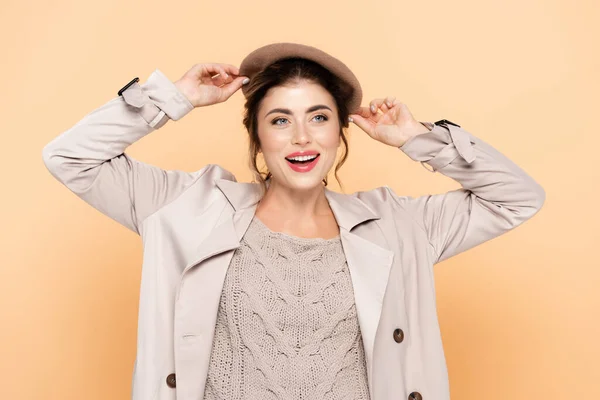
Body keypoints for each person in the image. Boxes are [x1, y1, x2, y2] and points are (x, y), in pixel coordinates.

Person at [42, 42, 545, 400]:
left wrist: (419, 139)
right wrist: (173, 98)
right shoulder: (189, 209)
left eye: (319, 117)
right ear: (257, 136)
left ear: (340, 132)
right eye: (280, 119)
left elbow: (517, 198)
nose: (302, 136)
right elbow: (69, 158)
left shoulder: (396, 225)